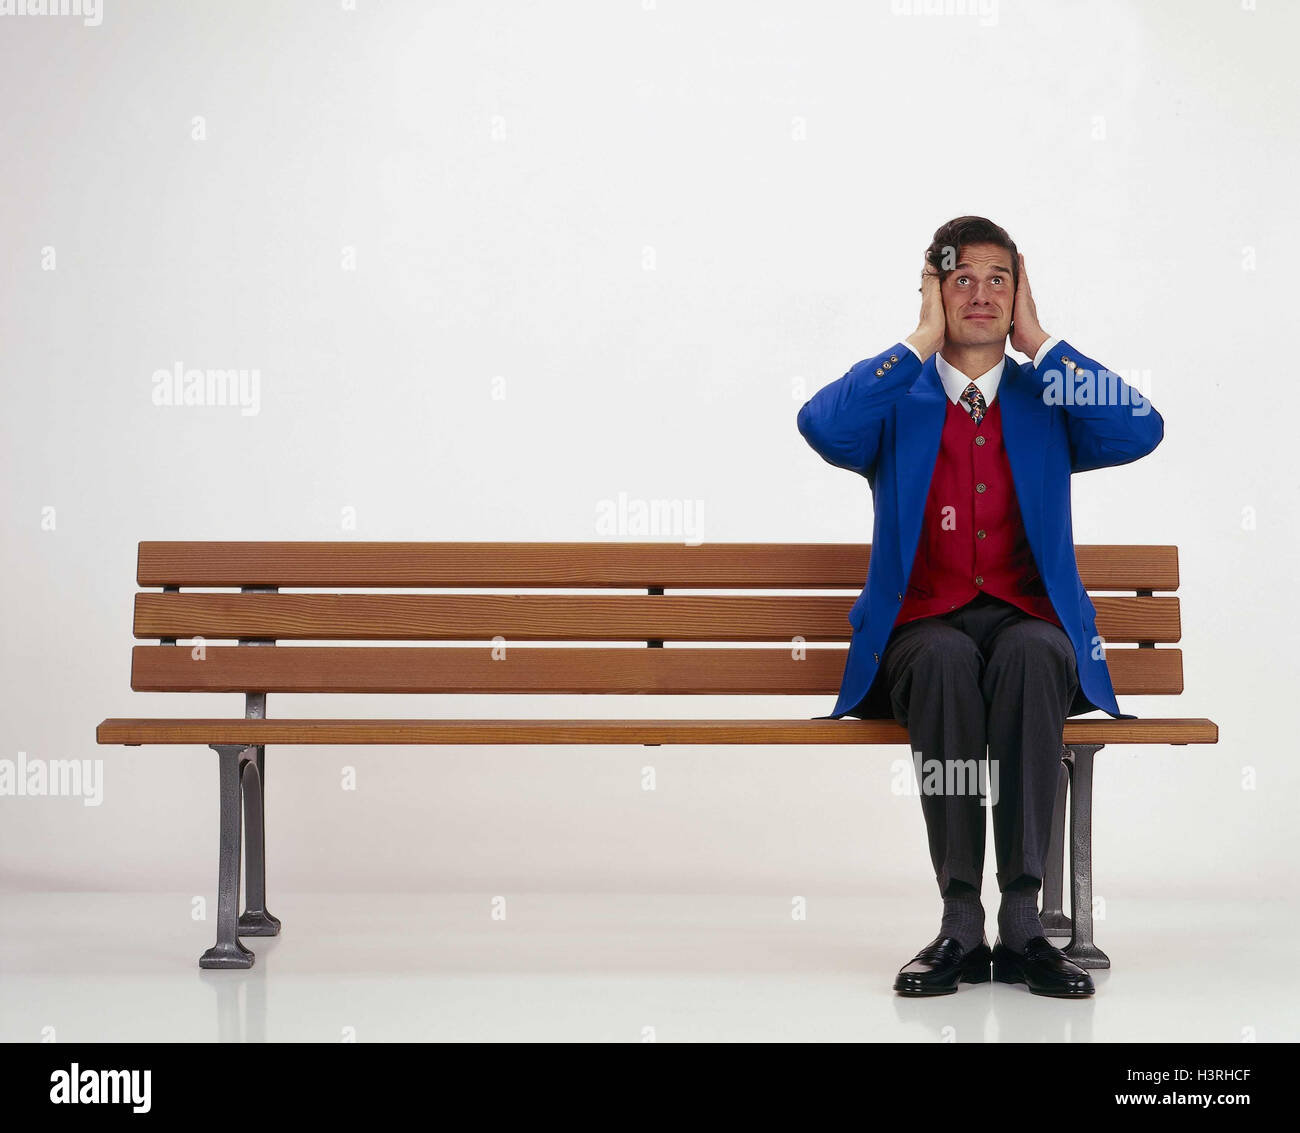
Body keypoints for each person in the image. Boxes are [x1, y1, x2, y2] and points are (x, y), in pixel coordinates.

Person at [796, 216, 1163, 997]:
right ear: (933, 288)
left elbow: (1141, 427)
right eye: (961, 278)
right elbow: (821, 425)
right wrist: (919, 339)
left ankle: (1025, 922)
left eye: (1000, 278)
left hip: (1027, 626)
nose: (981, 294)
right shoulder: (899, 399)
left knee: (1035, 652)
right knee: (940, 656)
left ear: (1019, 291)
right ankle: (961, 918)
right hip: (924, 632)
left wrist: (1044, 342)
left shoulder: (1046, 397)